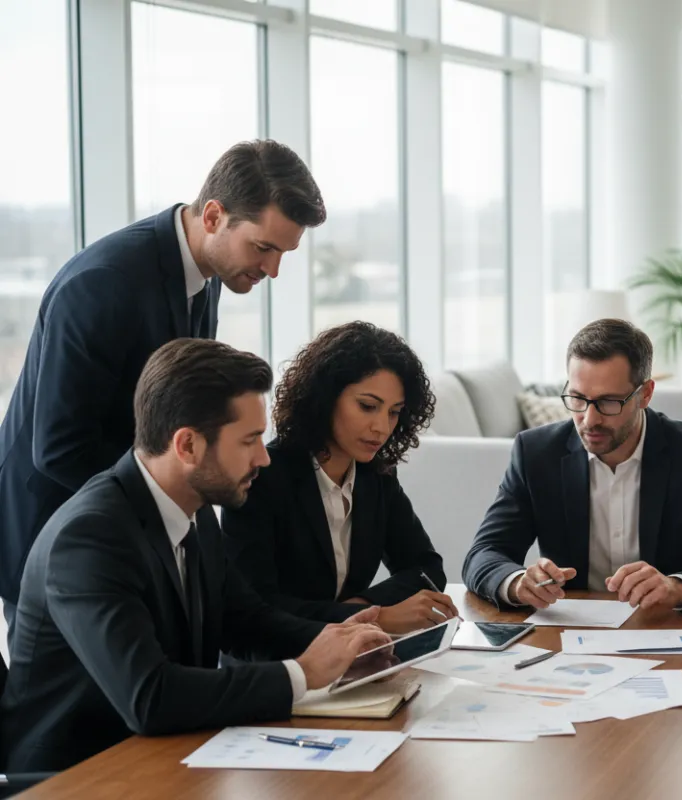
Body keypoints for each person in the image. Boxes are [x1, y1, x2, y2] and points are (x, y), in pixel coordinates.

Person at [0, 339, 389, 773]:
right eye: (250, 440)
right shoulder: (90, 538)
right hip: (74, 776)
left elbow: (245, 620)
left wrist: (335, 638)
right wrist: (302, 673)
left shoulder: (195, 511)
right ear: (187, 446)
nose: (264, 457)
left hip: (161, 756)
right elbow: (150, 697)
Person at [0, 139, 326, 626]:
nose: (273, 270)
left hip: (126, 524)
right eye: (263, 248)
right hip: (59, 532)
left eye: (283, 252)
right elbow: (60, 447)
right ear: (213, 216)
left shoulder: (209, 273)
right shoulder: (102, 285)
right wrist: (168, 511)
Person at [462, 319, 682, 611]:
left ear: (645, 394)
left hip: (667, 629)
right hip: (570, 634)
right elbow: (483, 554)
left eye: (609, 402)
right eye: (578, 399)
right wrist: (517, 582)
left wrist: (678, 588)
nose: (590, 420)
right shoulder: (536, 453)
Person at [222, 321, 458, 635]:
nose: (382, 428)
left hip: (352, 654)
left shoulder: (376, 474)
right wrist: (374, 617)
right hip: (278, 665)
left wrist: (361, 609)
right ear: (326, 397)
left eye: (394, 411)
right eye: (368, 406)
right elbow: (255, 608)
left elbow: (426, 568)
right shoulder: (262, 476)